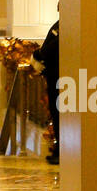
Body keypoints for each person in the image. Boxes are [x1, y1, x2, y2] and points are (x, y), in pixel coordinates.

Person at [35, 9, 60, 165]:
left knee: (59, 115)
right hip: (54, 77)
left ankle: (61, 151)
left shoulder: (65, 26)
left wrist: (39, 54)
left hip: (59, 78)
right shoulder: (59, 24)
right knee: (56, 115)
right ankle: (58, 149)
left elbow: (52, 48)